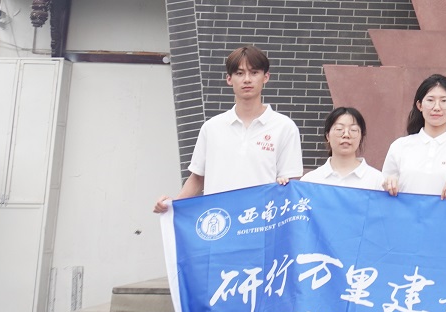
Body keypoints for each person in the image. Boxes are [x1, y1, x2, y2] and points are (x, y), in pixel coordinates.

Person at [154, 45, 302, 212]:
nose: (247, 79)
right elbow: (197, 178)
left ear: (265, 77)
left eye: (254, 73)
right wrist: (173, 205)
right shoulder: (212, 127)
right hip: (219, 221)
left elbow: (291, 182)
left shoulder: (284, 127)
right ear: (229, 79)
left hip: (261, 221)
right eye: (239, 73)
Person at [382, 74, 446, 198]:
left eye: (444, 101)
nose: (436, 107)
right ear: (419, 105)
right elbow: (383, 189)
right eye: (430, 100)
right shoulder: (399, 146)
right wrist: (388, 183)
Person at [302, 106, 384, 189]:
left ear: (361, 137)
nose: (346, 135)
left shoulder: (377, 181)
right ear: (328, 136)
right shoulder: (310, 181)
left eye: (353, 130)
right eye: (339, 129)